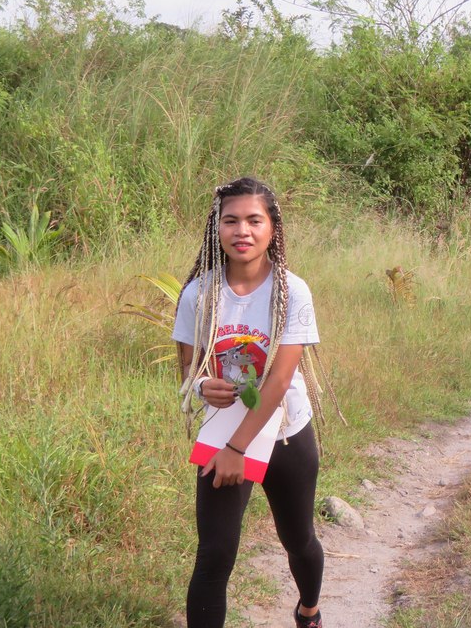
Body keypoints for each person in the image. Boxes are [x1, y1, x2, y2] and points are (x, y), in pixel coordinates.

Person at [172, 177, 326, 628]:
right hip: (222, 433)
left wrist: (237, 450)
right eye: (231, 220)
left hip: (284, 434)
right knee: (214, 554)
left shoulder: (291, 291)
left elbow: (279, 381)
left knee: (298, 540)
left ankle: (309, 611)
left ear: (272, 228)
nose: (242, 230)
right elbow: (189, 368)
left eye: (254, 220)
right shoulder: (198, 294)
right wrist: (203, 386)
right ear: (216, 228)